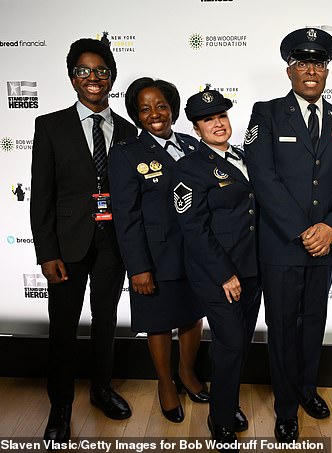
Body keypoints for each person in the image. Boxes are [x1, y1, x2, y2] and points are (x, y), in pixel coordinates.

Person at [243, 28, 332, 443]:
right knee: (283, 327)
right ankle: (286, 407)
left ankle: (307, 390)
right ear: (289, 69)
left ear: (327, 70)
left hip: (325, 245)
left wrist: (329, 227)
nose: (311, 70)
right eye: (302, 62)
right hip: (282, 246)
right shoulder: (267, 113)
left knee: (313, 323)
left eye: (319, 63)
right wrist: (302, 230)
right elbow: (263, 177)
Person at [30, 38, 137, 443]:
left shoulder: (128, 130)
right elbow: (41, 195)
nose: (93, 78)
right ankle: (60, 407)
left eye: (101, 70)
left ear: (112, 75)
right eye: (84, 71)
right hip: (66, 247)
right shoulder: (50, 126)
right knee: (62, 328)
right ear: (72, 75)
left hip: (113, 244)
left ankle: (101, 390)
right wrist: (47, 252)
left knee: (106, 323)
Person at [108, 77, 208, 424]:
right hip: (154, 257)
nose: (155, 113)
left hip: (196, 255)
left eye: (161, 106)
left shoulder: (194, 146)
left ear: (173, 109)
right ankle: (165, 383)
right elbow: (125, 216)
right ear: (136, 114)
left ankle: (187, 373)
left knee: (193, 316)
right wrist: (138, 267)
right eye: (145, 108)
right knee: (160, 323)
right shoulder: (125, 154)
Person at [174, 87, 261, 448]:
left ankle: (229, 402)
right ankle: (220, 420)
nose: (218, 124)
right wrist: (225, 274)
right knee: (231, 342)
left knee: (238, 344)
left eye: (221, 116)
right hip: (218, 274)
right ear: (196, 128)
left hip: (252, 268)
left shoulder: (243, 156)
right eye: (208, 120)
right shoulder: (189, 168)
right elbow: (193, 227)